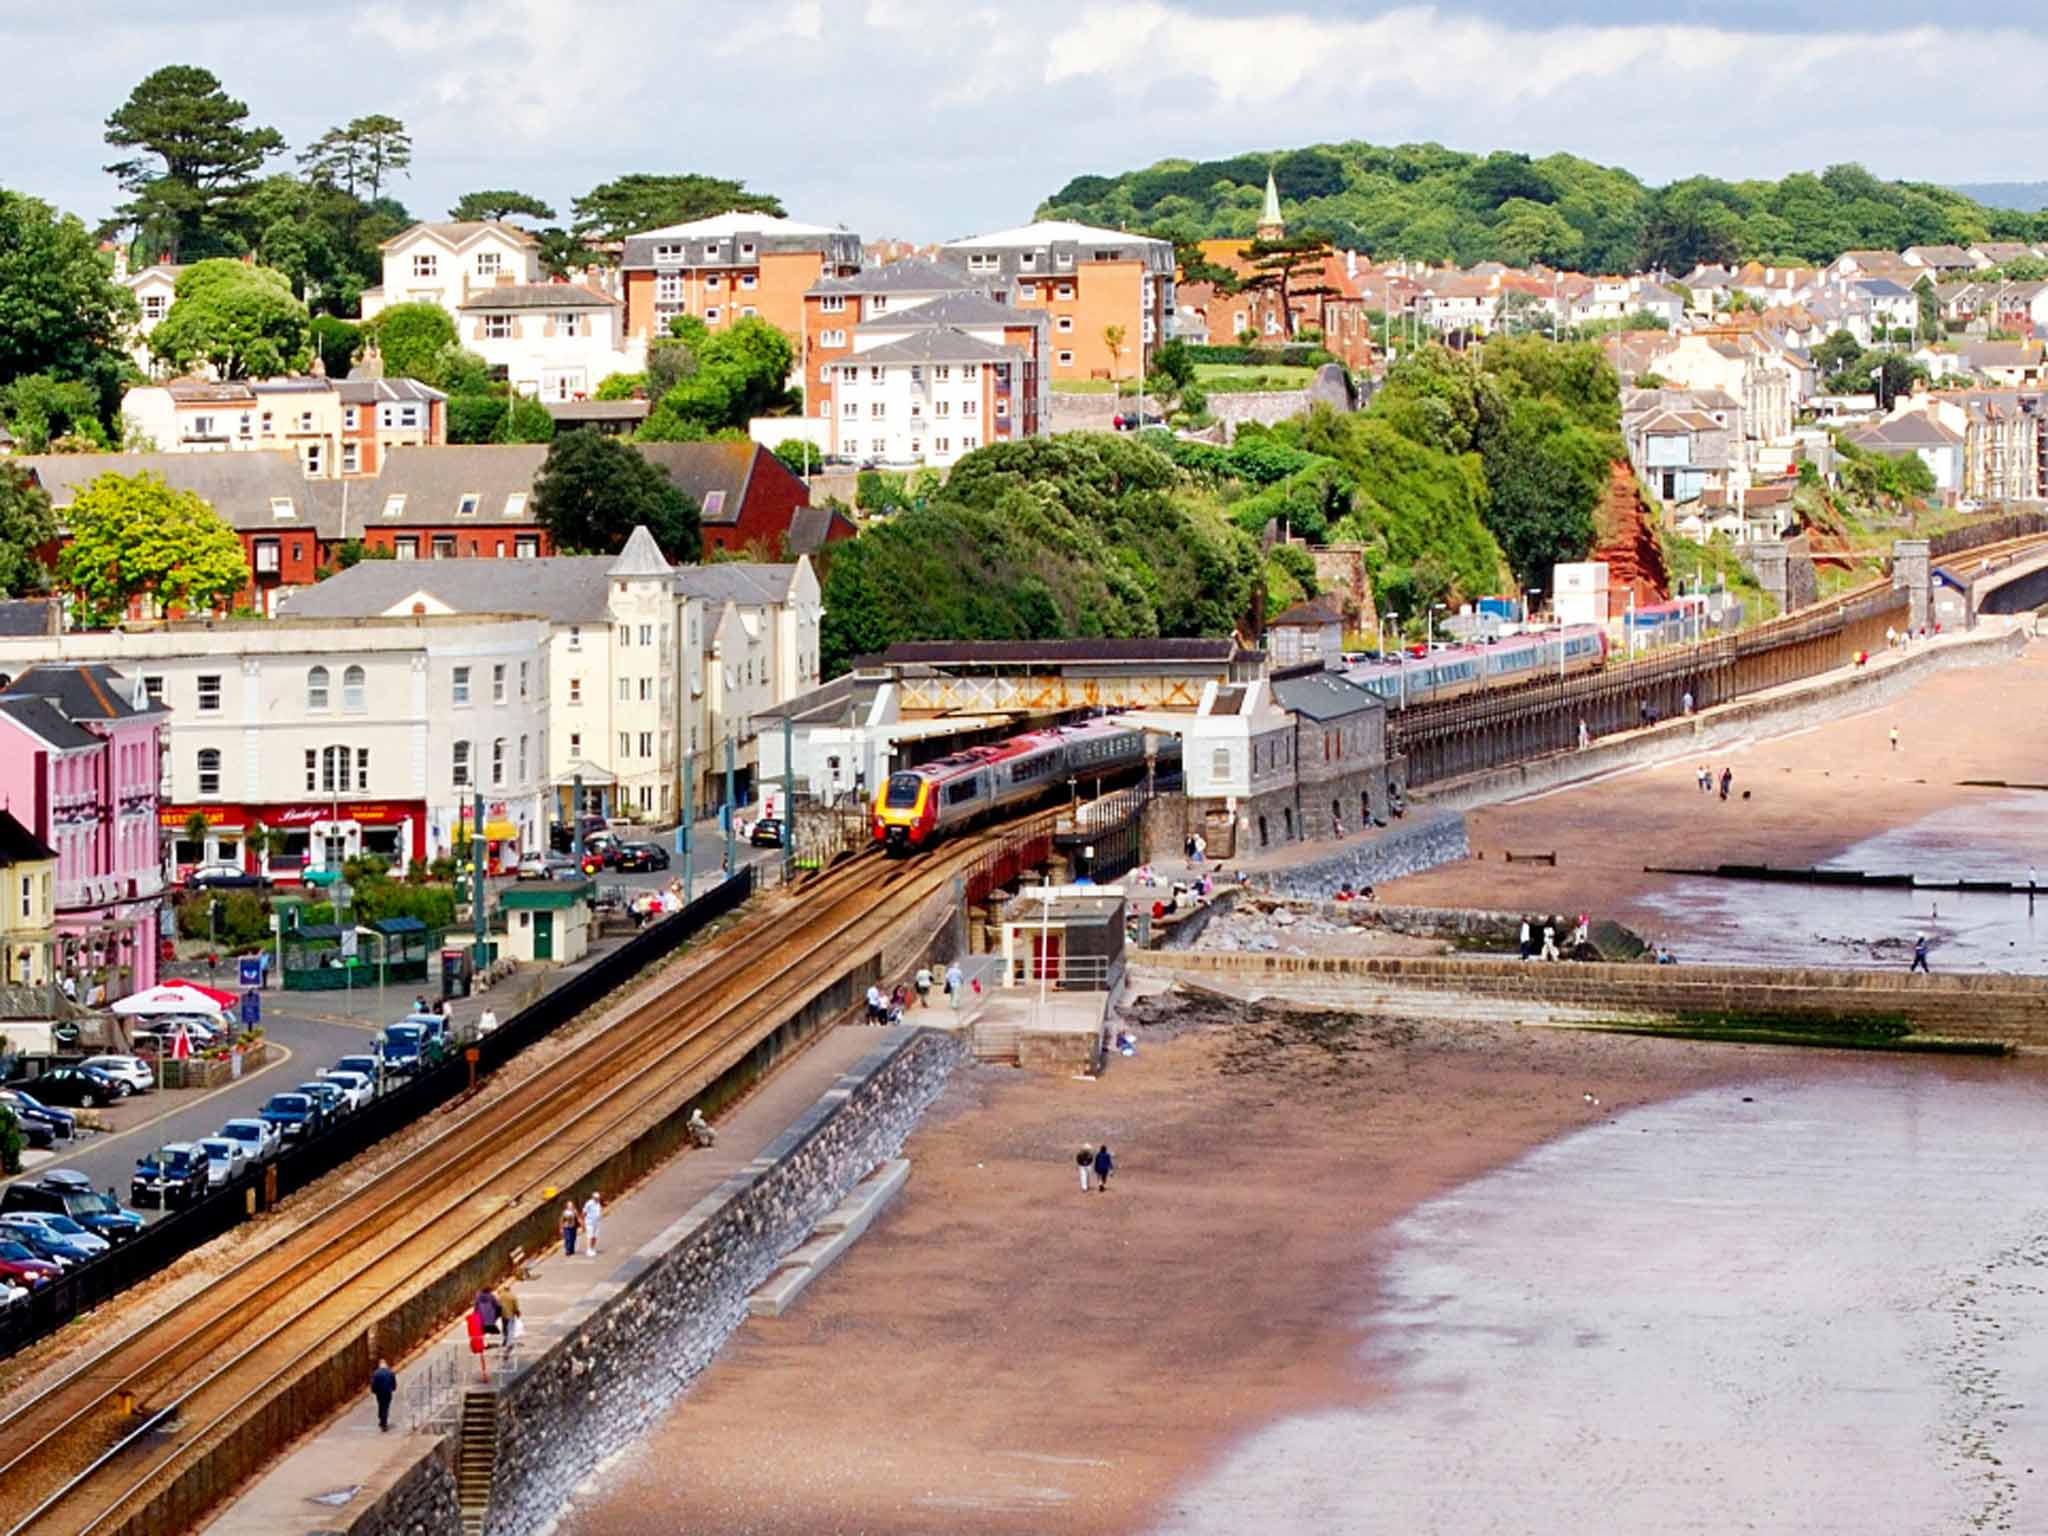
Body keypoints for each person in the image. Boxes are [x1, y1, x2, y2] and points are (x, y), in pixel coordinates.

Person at [370, 1359, 398, 1432]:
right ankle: (384, 1424)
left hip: (379, 1393)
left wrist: (374, 1390)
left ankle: (381, 1419)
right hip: (388, 1392)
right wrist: (393, 1388)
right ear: (386, 1365)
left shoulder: (376, 1373)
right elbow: (393, 1382)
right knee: (386, 1407)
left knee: (380, 1405)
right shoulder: (390, 1372)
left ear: (379, 1365)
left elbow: (373, 1384)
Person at [466, 1306, 489, 1381]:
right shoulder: (482, 1318)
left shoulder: (470, 1317)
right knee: (482, 1357)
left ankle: (481, 1374)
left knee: (474, 1354)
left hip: (473, 1339)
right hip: (479, 1339)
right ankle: (484, 1374)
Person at [499, 1283, 522, 1355]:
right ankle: (509, 1342)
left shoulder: (500, 1296)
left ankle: (505, 1339)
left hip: (503, 1315)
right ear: (509, 1289)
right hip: (510, 1314)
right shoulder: (513, 1296)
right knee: (510, 1328)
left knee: (504, 1328)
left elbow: (498, 1305)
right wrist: (517, 1312)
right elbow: (516, 1306)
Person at [581, 1191, 604, 1256]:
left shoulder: (598, 1203)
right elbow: (584, 1213)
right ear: (593, 1197)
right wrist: (583, 1222)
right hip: (589, 1222)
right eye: (596, 1198)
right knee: (590, 1236)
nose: (597, 1199)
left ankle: (592, 1248)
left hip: (597, 1222)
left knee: (595, 1236)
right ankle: (588, 1249)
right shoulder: (589, 1203)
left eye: (598, 1198)